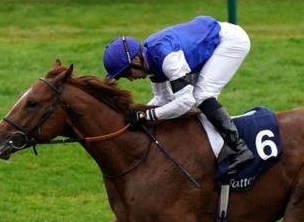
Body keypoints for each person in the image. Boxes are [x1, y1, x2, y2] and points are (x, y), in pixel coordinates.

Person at [102, 15, 254, 174]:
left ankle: (240, 149)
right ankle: (214, 147)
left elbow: (184, 102)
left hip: (230, 41)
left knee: (202, 96)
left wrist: (146, 116)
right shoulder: (149, 61)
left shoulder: (166, 58)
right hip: (207, 39)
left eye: (127, 73)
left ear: (135, 59)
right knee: (195, 102)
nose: (131, 79)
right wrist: (138, 112)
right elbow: (163, 99)